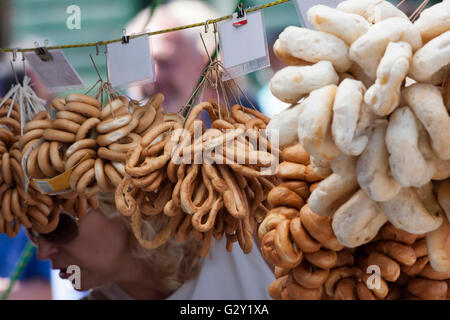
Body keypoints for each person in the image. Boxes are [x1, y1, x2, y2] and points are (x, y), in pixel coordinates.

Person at [30, 193, 274, 300]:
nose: (42, 252)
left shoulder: (250, 238)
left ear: (121, 205)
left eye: (57, 227)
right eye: (32, 232)